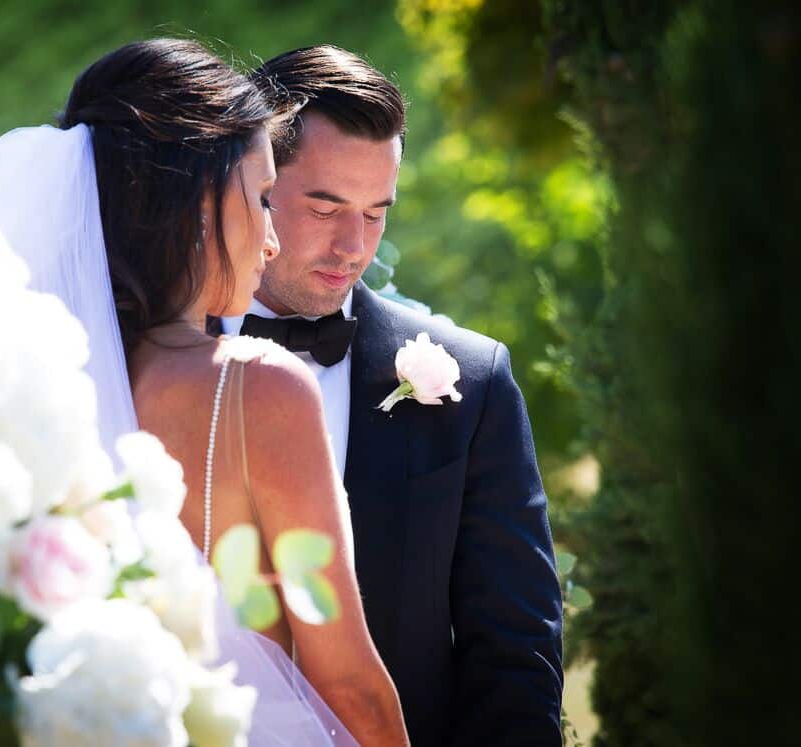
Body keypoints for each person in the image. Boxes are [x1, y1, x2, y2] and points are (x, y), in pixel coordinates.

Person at [0, 39, 408, 746]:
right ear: (199, 202)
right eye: (261, 198)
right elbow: (348, 681)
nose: (271, 240)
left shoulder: (17, 377)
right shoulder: (259, 387)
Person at [219, 45, 564, 745]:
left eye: (377, 213)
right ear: (252, 185)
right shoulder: (144, 362)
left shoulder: (474, 382)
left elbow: (516, 654)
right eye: (326, 206)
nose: (355, 246)